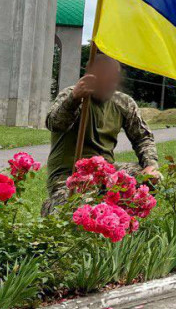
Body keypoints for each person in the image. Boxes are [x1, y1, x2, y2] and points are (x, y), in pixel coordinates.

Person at [43, 54, 159, 216]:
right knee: (75, 211)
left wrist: (150, 165)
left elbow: (142, 137)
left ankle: (120, 220)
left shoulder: (123, 103)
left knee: (150, 179)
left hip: (107, 171)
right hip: (69, 174)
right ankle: (51, 206)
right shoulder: (72, 94)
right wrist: (74, 99)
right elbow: (54, 124)